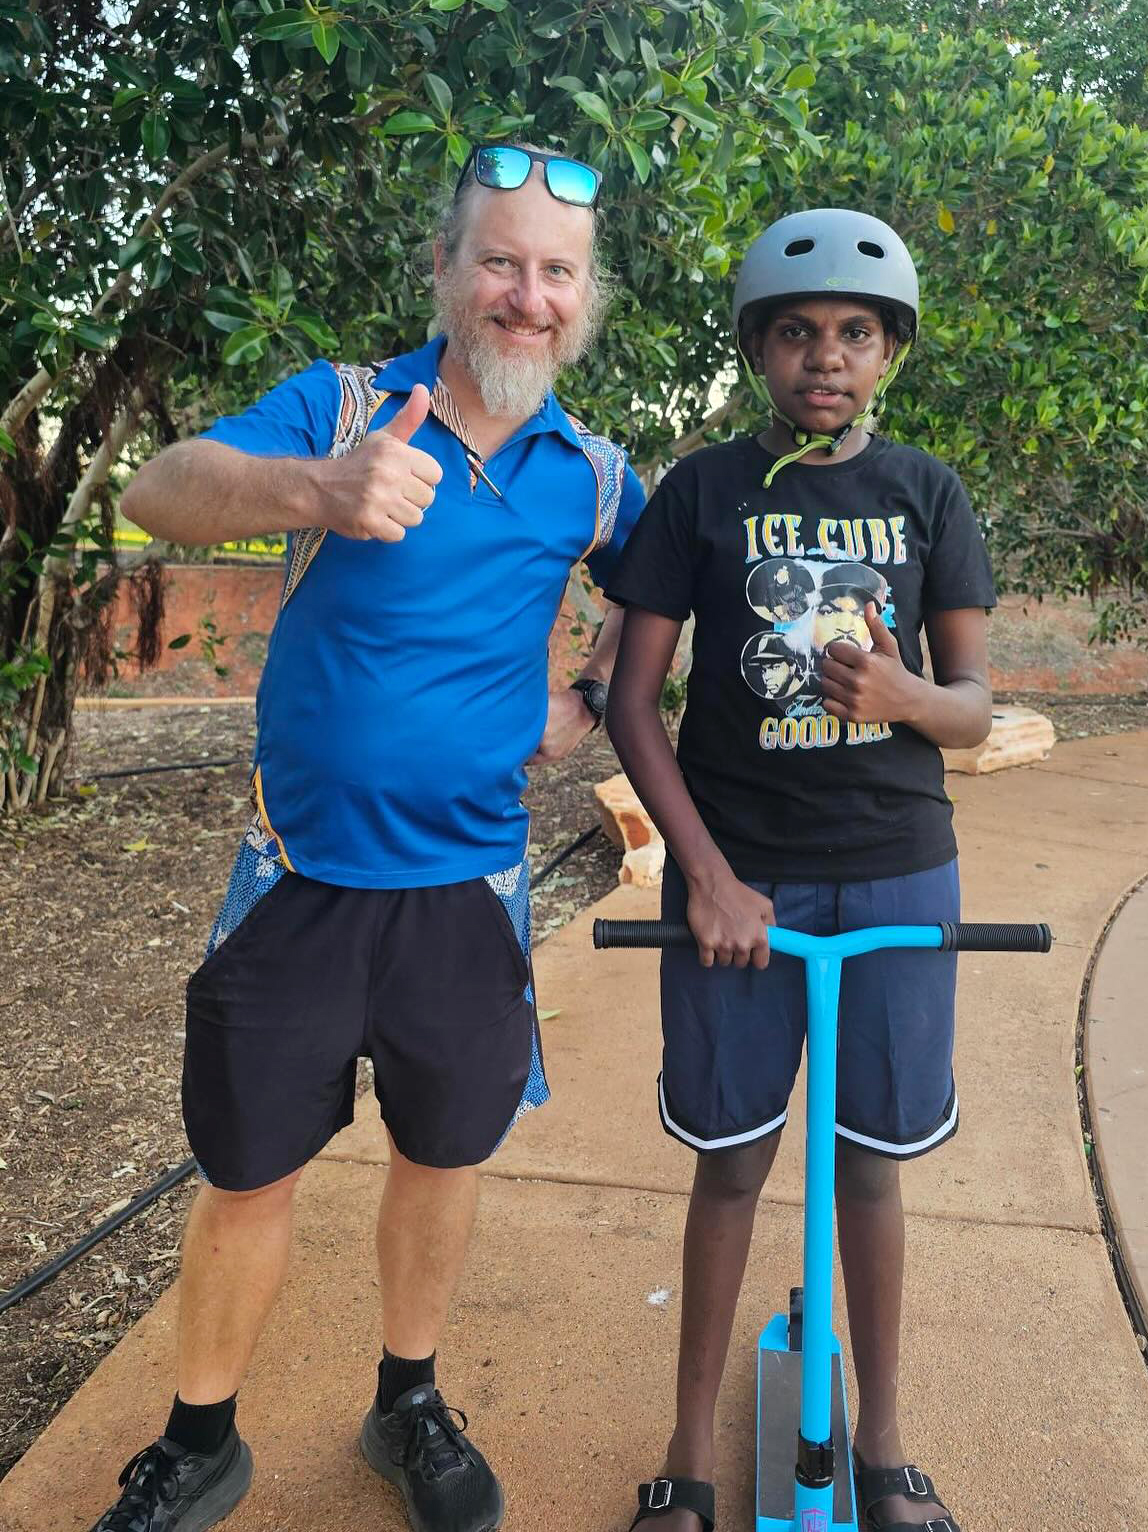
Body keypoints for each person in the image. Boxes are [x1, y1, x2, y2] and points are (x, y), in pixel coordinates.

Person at [98, 142, 645, 1532]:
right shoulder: (347, 405)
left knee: (442, 1157)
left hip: (466, 891)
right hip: (297, 883)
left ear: (587, 300)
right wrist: (320, 493)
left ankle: (409, 1400)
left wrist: (587, 695)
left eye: (556, 273)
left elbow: (663, 586)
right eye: (502, 261)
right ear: (449, 271)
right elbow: (161, 486)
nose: (528, 294)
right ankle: (201, 1438)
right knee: (245, 1173)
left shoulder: (588, 474)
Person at [605, 207, 996, 1532]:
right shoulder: (703, 491)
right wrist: (704, 875)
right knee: (729, 1163)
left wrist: (906, 693)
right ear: (759, 353)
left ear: (887, 353)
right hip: (740, 877)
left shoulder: (927, 492)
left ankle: (884, 1450)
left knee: (871, 1165)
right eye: (795, 332)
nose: (823, 355)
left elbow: (979, 707)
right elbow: (635, 701)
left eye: (853, 333)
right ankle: (690, 1460)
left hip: (895, 871)